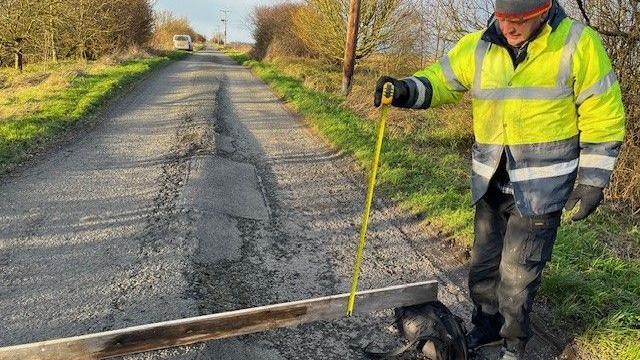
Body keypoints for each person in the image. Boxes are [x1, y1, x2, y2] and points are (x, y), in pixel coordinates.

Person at [373, 0, 626, 359]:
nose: (509, 28)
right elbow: (439, 81)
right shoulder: (478, 46)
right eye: (504, 18)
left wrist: (593, 181)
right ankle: (486, 328)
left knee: (517, 276)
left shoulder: (577, 44)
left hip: (541, 189)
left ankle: (513, 344)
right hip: (491, 183)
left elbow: (603, 113)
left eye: (520, 20)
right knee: (484, 267)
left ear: (545, 9)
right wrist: (403, 90)